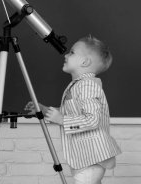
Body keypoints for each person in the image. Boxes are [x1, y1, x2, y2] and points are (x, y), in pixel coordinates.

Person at [25, 35, 121, 184]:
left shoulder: (87, 85)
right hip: (85, 158)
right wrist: (45, 111)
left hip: (92, 158)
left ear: (85, 62)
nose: (66, 54)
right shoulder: (79, 85)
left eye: (72, 52)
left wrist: (61, 120)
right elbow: (73, 112)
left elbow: (92, 120)